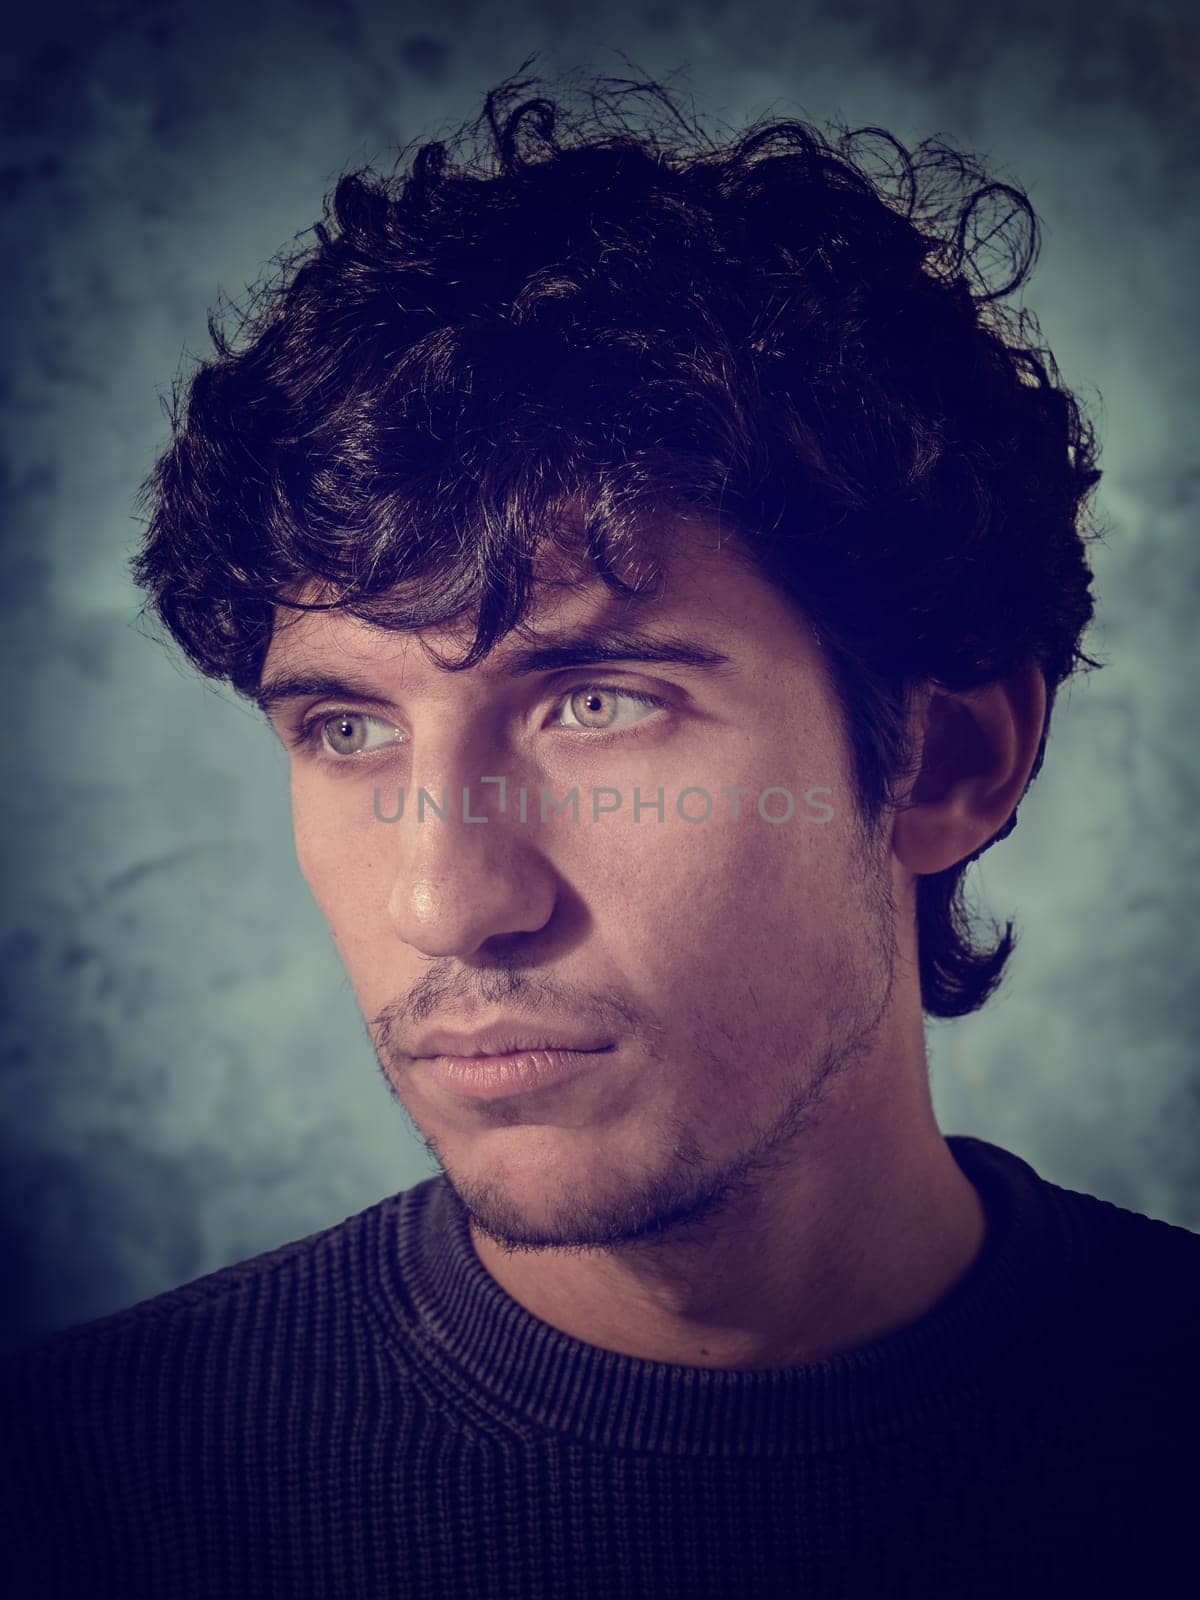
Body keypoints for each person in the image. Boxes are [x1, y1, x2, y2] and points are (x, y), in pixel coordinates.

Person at [2, 66, 1196, 1600]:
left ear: (951, 758)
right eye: (346, 730)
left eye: (597, 704)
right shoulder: (74, 1502)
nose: (446, 899)